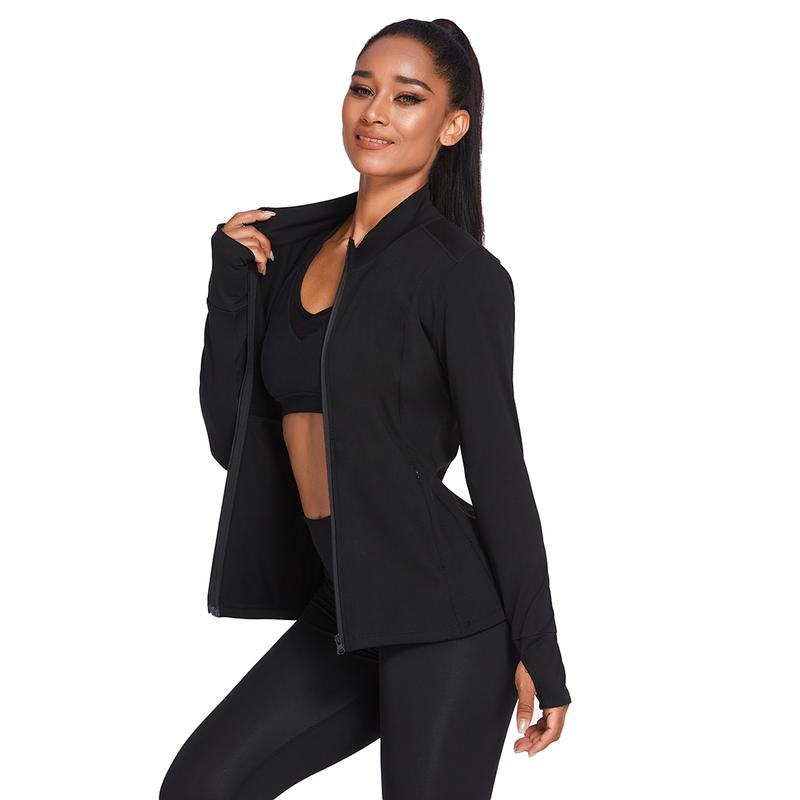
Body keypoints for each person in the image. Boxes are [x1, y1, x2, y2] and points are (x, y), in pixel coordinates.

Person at [160, 18, 572, 800]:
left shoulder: (460, 276)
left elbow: (498, 468)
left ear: (452, 126)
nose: (375, 111)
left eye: (407, 97)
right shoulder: (289, 249)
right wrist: (230, 290)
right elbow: (232, 440)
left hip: (450, 617)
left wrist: (539, 648)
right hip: (347, 605)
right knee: (201, 787)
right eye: (362, 88)